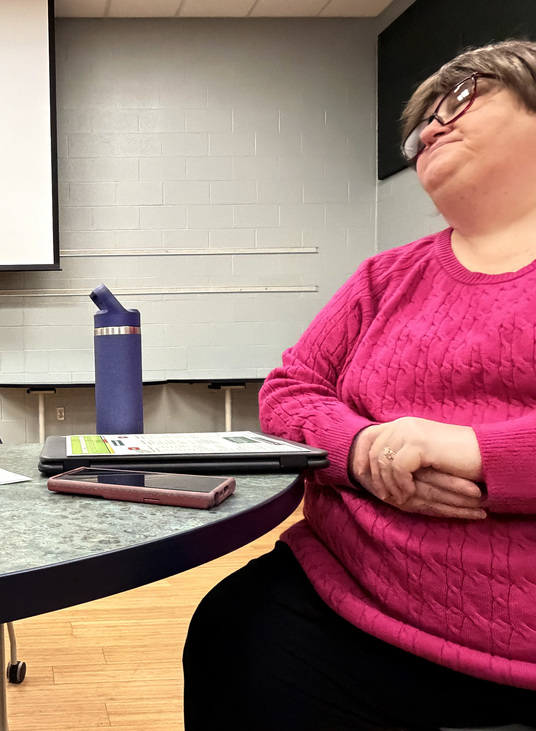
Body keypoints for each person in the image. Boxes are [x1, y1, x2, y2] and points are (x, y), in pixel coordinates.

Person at [183, 40, 536, 731]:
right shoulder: (382, 279)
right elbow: (289, 391)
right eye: (422, 120)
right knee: (229, 629)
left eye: (460, 100)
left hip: (515, 645)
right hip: (345, 596)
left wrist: (481, 453)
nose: (432, 127)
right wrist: (363, 447)